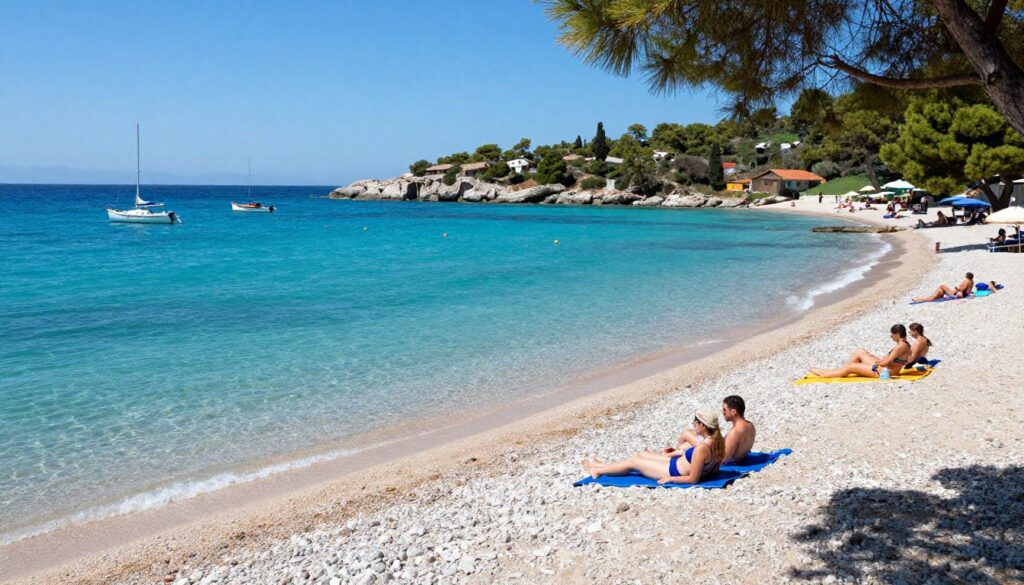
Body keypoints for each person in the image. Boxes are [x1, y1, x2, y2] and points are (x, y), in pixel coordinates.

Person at [582, 409, 724, 484]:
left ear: (703, 426)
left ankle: (598, 471)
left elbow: (693, 479)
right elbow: (714, 469)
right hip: (676, 464)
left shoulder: (702, 448)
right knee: (641, 455)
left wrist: (671, 479)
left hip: (672, 471)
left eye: (695, 422)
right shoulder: (717, 441)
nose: (693, 424)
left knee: (634, 462)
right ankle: (603, 466)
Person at [808, 324, 912, 379]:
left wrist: (877, 361)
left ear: (898, 334)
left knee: (851, 367)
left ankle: (825, 375)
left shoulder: (900, 346)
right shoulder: (904, 344)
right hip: (886, 369)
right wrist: (876, 359)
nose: (891, 336)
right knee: (860, 352)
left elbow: (886, 363)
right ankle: (838, 371)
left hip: (885, 372)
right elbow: (890, 360)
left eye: (892, 334)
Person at [675, 395, 755, 464]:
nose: (723, 412)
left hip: (729, 462)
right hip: (739, 458)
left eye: (724, 409)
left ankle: (674, 461)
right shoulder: (750, 425)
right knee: (687, 443)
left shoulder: (734, 432)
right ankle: (676, 457)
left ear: (733, 412)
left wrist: (706, 448)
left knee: (686, 434)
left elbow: (723, 459)